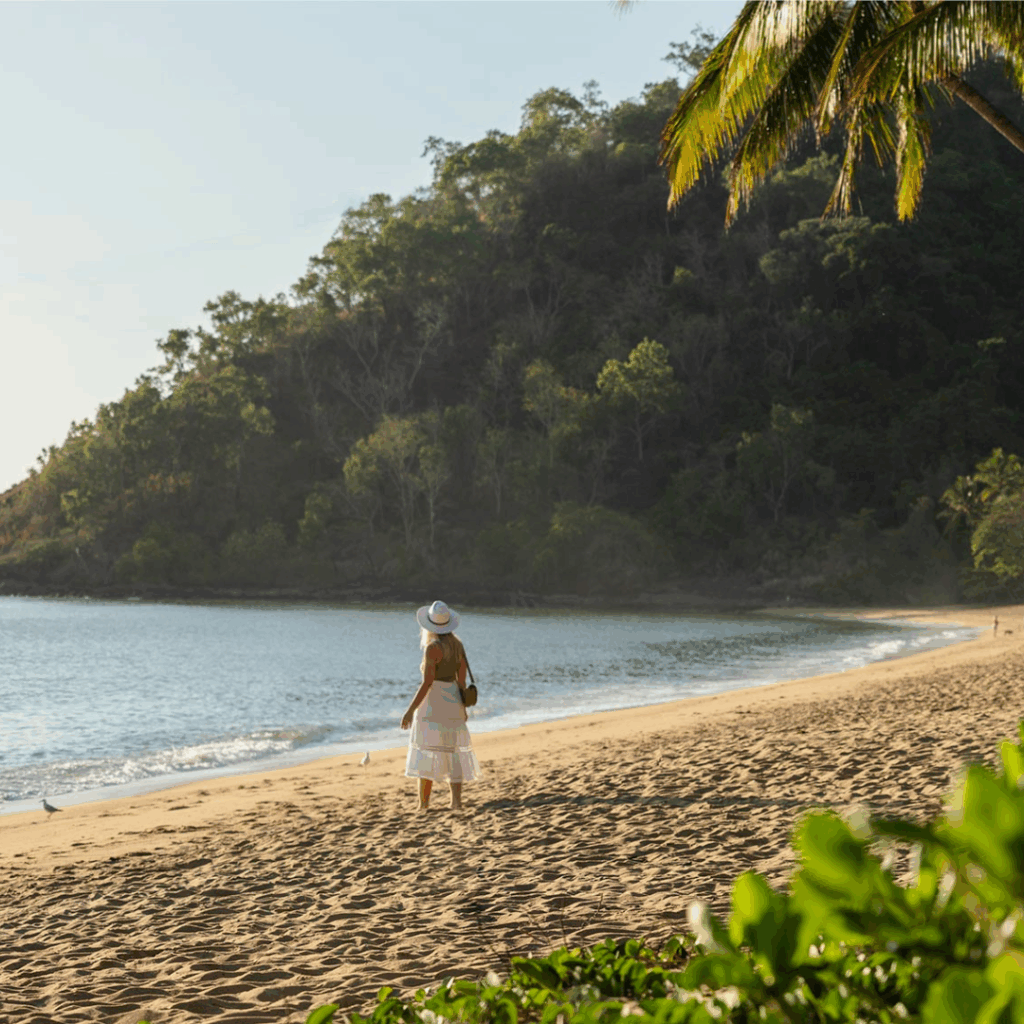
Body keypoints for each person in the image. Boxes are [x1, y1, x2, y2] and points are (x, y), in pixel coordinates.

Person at [401, 600, 480, 811]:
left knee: (426, 752)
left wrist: (409, 710)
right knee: (453, 753)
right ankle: (456, 802)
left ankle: (423, 805)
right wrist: (463, 709)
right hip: (453, 700)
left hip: (433, 704)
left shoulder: (432, 648)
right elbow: (461, 682)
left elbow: (427, 683)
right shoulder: (458, 646)